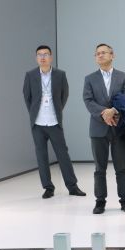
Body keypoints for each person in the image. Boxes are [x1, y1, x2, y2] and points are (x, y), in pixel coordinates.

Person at [22, 45, 85, 199]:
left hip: (54, 122)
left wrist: (57, 110)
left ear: (50, 57)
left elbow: (65, 94)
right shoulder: (30, 75)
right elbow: (27, 97)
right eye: (39, 55)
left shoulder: (60, 75)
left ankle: (72, 187)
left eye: (45, 54)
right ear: (36, 58)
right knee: (41, 156)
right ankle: (48, 188)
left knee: (63, 155)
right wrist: (34, 113)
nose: (42, 57)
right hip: (37, 124)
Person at [83, 44, 125, 214]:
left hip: (118, 128)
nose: (100, 55)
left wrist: (114, 111)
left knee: (121, 168)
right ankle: (100, 201)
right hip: (98, 128)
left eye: (103, 52)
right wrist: (104, 113)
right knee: (100, 168)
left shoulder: (123, 77)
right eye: (97, 53)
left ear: (112, 55)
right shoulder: (90, 78)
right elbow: (88, 100)